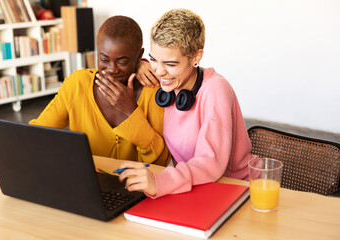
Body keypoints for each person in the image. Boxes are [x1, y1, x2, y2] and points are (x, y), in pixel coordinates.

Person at [117, 9, 254, 198]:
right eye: (154, 59)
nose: (159, 71)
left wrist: (160, 181)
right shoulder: (167, 84)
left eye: (171, 64)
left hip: (236, 189)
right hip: (196, 188)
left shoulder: (216, 90)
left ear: (196, 57)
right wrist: (139, 65)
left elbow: (210, 162)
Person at [29, 16, 171, 166]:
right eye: (104, 60)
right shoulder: (77, 84)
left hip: (137, 186)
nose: (112, 69)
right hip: (86, 182)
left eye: (122, 62)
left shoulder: (153, 91)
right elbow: (37, 135)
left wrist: (131, 112)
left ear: (139, 56)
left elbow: (161, 161)